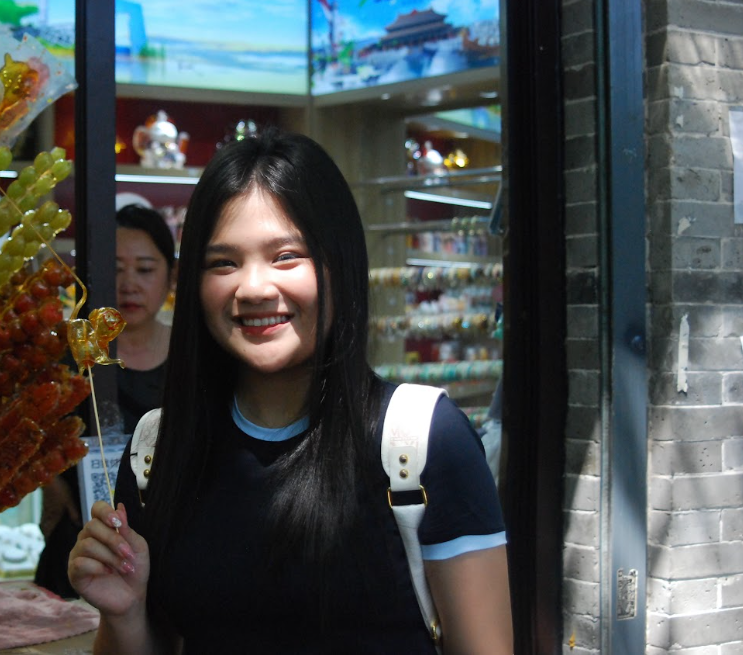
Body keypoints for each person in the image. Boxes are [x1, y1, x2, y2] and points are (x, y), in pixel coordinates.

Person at [67, 129, 512, 653]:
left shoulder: (425, 442)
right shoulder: (157, 451)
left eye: (285, 256)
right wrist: (123, 614)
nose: (254, 288)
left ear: (339, 264)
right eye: (223, 262)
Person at [34, 203, 176, 598]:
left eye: (144, 269)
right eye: (114, 269)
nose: (129, 284)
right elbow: (17, 432)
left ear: (171, 277)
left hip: (169, 554)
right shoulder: (67, 358)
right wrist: (49, 482)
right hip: (78, 554)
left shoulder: (194, 359)